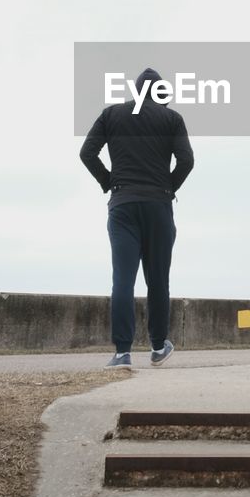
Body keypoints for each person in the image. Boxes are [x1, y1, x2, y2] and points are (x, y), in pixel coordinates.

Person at [79, 67, 194, 368]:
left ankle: (122, 353)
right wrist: (168, 187)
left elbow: (87, 153)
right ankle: (158, 347)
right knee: (158, 280)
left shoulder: (111, 115)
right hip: (158, 206)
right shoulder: (172, 119)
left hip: (123, 205)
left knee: (123, 279)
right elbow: (187, 161)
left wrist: (109, 182)